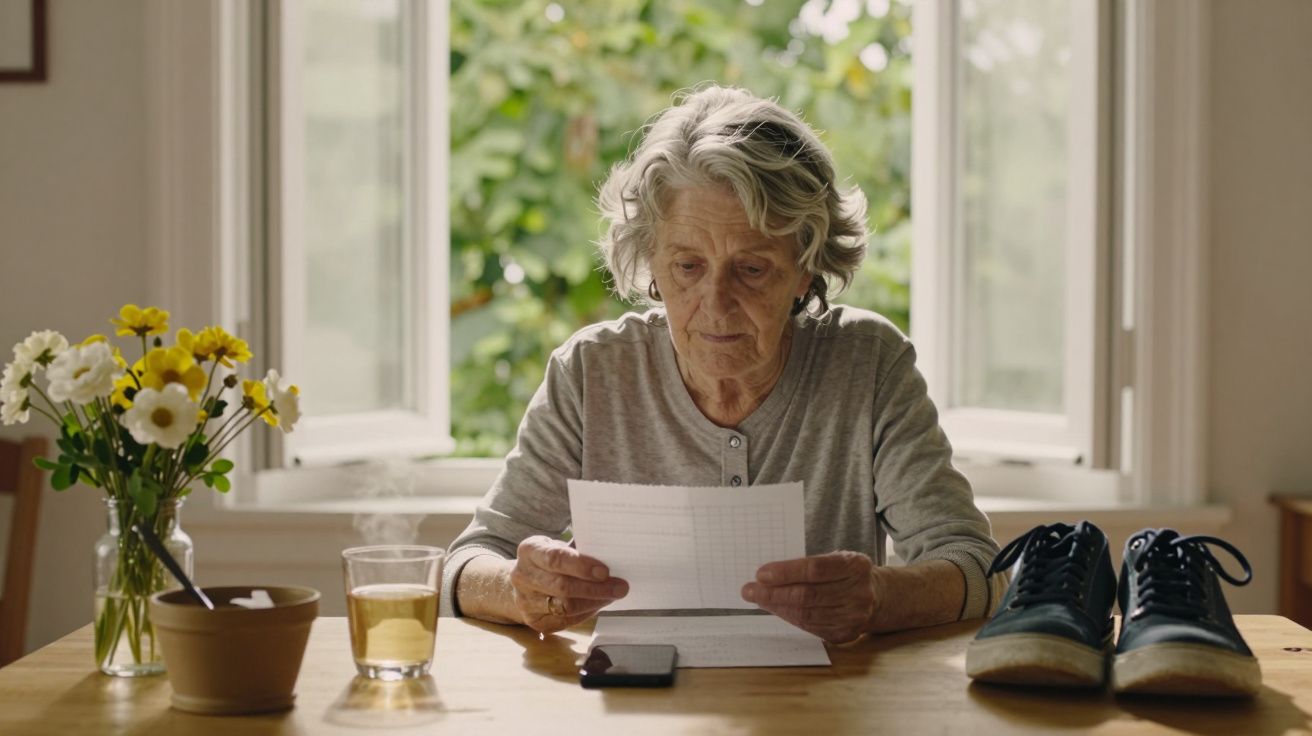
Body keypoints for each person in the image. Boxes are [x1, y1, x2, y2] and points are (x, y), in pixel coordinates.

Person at [441, 84, 1002, 644]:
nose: (715, 303)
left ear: (804, 269)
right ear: (653, 267)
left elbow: (977, 567)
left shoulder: (868, 363)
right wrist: (520, 588)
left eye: (751, 269)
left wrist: (878, 597)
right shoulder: (592, 373)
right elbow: (466, 565)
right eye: (687, 266)